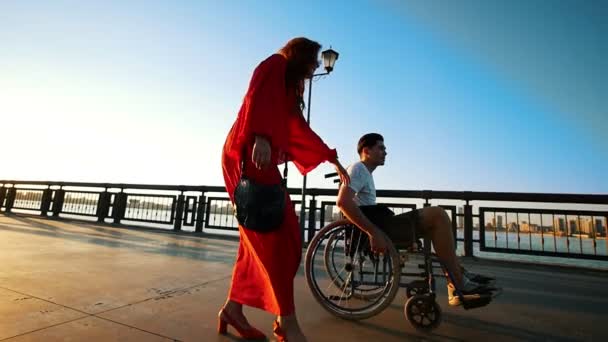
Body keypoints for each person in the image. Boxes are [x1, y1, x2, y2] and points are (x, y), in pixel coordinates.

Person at [219, 37, 350, 342]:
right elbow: (256, 96)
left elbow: (296, 128)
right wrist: (262, 136)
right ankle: (287, 323)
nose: (317, 65)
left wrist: (331, 158)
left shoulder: (289, 85)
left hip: (258, 157)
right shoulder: (275, 65)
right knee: (276, 240)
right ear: (299, 55)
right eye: (314, 59)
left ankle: (232, 310)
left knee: (266, 241)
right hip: (248, 153)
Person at [336, 133, 494, 306]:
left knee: (436, 222)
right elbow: (343, 202)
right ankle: (457, 282)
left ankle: (457, 275)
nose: (385, 152)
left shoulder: (364, 172)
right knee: (438, 215)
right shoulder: (358, 169)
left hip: (379, 225)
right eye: (381, 148)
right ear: (366, 150)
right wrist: (372, 232)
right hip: (376, 229)